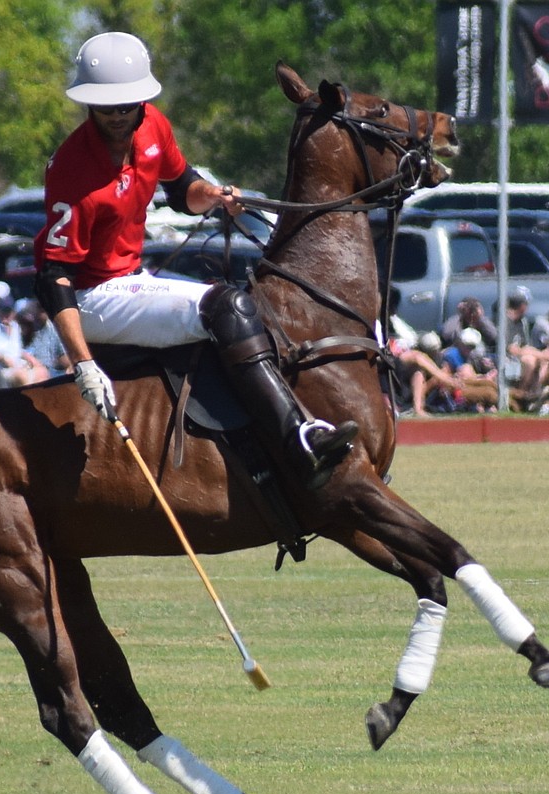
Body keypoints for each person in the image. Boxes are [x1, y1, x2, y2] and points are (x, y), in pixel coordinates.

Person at [33, 31, 356, 489]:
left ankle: (246, 451)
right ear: (89, 104)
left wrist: (218, 196)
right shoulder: (72, 169)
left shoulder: (153, 127)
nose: (119, 116)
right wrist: (83, 362)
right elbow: (54, 276)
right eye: (107, 108)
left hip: (128, 279)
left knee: (244, 312)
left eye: (128, 105)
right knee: (225, 307)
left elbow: (183, 188)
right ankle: (296, 442)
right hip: (89, 299)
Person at [0, 297, 48, 386]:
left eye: (9, 311)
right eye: (3, 311)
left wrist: (33, 360)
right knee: (21, 376)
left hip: (17, 364)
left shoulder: (15, 326)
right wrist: (1, 358)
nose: (6, 315)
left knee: (42, 372)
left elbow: (18, 350)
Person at [16, 300, 72, 378]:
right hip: (31, 370)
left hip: (54, 372)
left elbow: (65, 358)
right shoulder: (26, 329)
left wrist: (59, 363)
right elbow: (20, 352)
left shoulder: (56, 328)